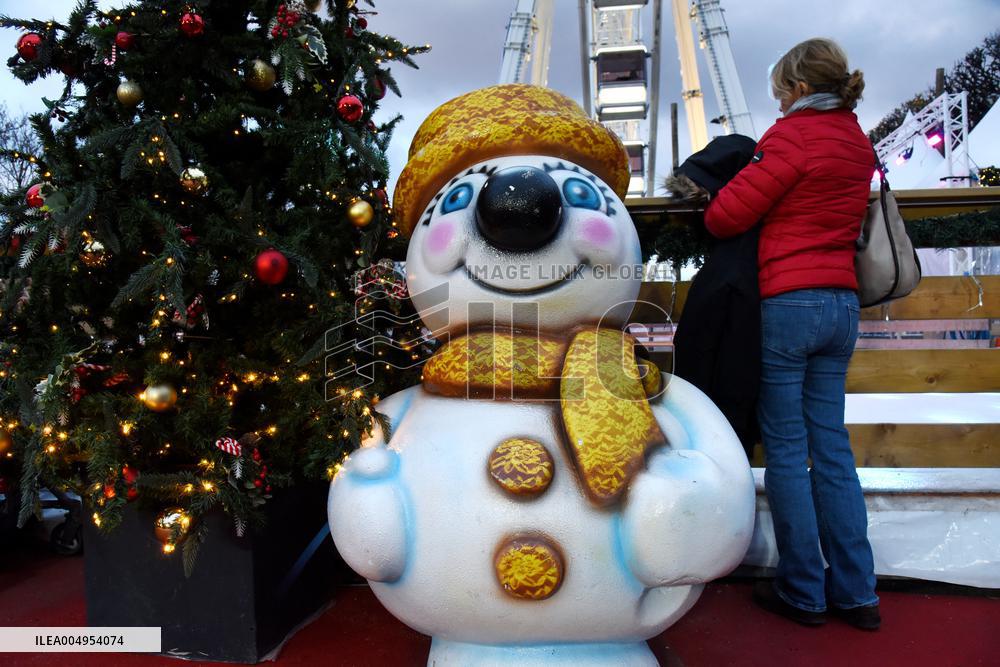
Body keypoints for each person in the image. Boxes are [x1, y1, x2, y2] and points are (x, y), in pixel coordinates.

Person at [703, 37, 880, 630]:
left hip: (790, 302)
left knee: (784, 447)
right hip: (843, 304)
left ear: (800, 89)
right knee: (831, 446)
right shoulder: (857, 139)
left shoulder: (791, 137)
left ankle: (803, 590)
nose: (777, 103)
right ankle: (857, 593)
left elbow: (725, 215)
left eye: (780, 91)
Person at [666, 134, 761, 458]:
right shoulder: (756, 241)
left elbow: (697, 350)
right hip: (740, 409)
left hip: (714, 419)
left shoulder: (729, 261)